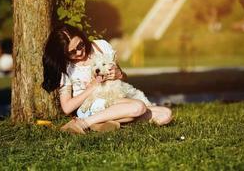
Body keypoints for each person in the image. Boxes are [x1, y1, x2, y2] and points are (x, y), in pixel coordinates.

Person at [42, 24, 172, 134]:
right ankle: (82, 123)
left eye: (80, 45)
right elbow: (67, 108)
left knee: (165, 114)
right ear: (64, 53)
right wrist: (92, 87)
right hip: (88, 106)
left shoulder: (101, 46)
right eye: (72, 52)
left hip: (113, 98)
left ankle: (100, 122)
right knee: (138, 107)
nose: (79, 52)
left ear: (82, 37)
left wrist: (119, 74)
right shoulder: (65, 67)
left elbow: (122, 80)